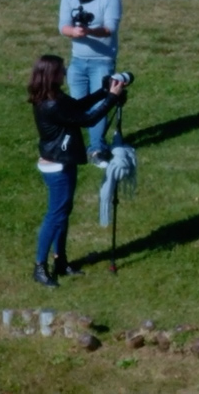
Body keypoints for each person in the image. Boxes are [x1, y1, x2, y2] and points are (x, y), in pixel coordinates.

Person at [28, 54, 126, 287]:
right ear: (52, 74)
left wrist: (104, 92)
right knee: (55, 215)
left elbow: (79, 107)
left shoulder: (54, 97)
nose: (65, 72)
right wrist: (112, 99)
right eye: (62, 69)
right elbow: (88, 119)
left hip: (62, 161)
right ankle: (40, 267)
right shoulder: (52, 104)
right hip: (57, 167)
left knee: (62, 213)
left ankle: (60, 260)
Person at [56, 0, 124, 165]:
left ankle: (96, 148)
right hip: (78, 61)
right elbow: (63, 27)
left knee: (99, 106)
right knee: (77, 106)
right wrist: (73, 32)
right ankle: (74, 146)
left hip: (102, 60)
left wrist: (89, 31)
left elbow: (110, 28)